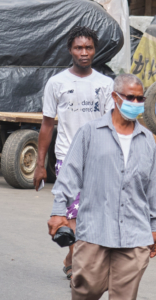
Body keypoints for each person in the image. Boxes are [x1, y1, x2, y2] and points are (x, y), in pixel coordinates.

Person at [51, 73, 156, 300]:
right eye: (131, 98)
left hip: (135, 230)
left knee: (124, 298)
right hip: (95, 227)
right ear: (115, 98)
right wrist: (59, 212)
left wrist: (155, 226)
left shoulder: (146, 141)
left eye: (140, 98)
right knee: (86, 285)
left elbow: (152, 185)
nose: (136, 103)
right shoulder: (90, 132)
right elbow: (69, 174)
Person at [34, 25, 114, 280]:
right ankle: (78, 263)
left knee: (92, 212)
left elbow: (113, 124)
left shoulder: (105, 84)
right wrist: (40, 164)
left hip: (99, 158)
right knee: (74, 213)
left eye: (88, 47)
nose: (83, 52)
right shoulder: (56, 83)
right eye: (78, 47)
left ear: (95, 50)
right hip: (68, 158)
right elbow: (47, 125)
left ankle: (72, 256)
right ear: (70, 50)